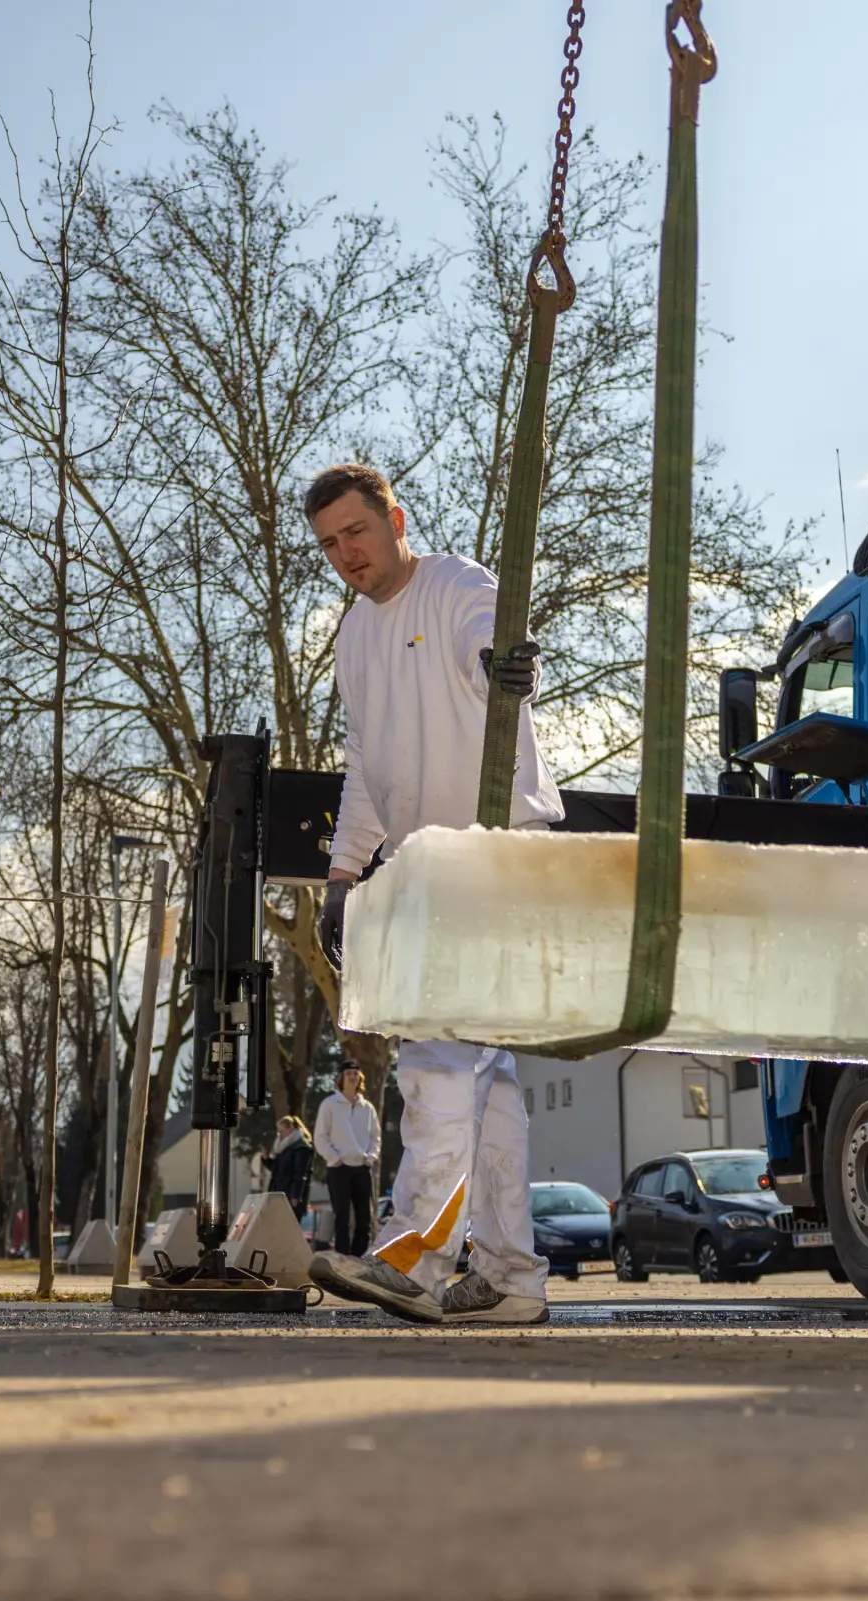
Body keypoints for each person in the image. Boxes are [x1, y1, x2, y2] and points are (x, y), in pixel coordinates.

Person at [300, 463, 562, 1327]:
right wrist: (343, 875)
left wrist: (499, 665)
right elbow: (366, 770)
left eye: (356, 532)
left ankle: (414, 1250)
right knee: (486, 1086)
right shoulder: (353, 638)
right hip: (423, 868)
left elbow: (485, 645)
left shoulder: (457, 585)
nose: (346, 554)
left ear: (394, 518)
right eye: (331, 544)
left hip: (497, 856)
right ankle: (510, 1277)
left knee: (439, 1058)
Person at [312, 1067, 379, 1256]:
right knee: (342, 1217)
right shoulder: (329, 1104)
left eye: (356, 1073)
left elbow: (376, 1137)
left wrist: (370, 1158)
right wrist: (334, 1158)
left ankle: (359, 1258)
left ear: (360, 1078)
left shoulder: (368, 1108)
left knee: (364, 1217)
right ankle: (342, 1256)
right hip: (338, 1168)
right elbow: (320, 1136)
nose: (352, 1077)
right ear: (341, 1078)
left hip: (362, 1167)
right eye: (348, 1073)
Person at [267, 1115, 315, 1227]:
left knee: (290, 1228)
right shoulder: (285, 1148)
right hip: (280, 1193)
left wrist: (295, 1196)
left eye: (281, 1131)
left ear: (291, 1129)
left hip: (290, 1196)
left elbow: (300, 1173)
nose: (280, 1135)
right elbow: (278, 1170)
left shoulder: (301, 1147)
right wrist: (267, 1160)